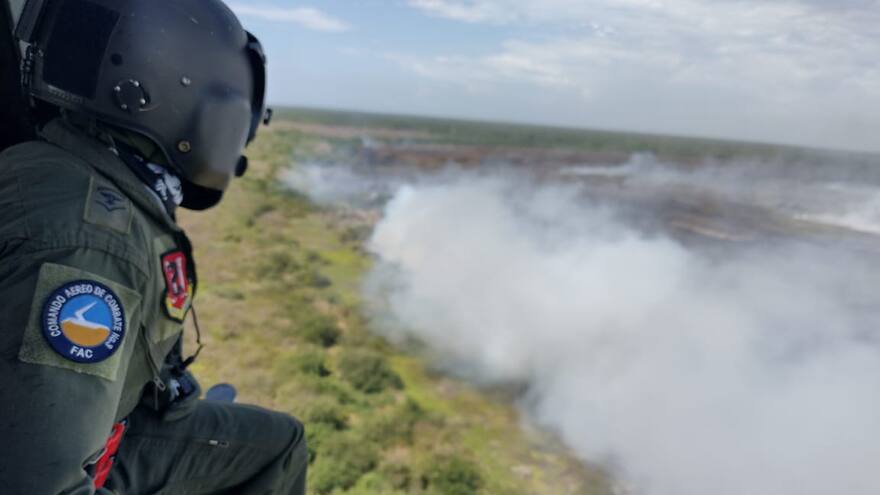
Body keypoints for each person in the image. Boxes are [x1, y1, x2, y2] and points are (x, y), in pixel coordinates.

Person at [0, 0, 307, 493]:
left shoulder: (74, 170)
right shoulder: (94, 246)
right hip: (74, 459)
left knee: (277, 442)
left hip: (110, 424)